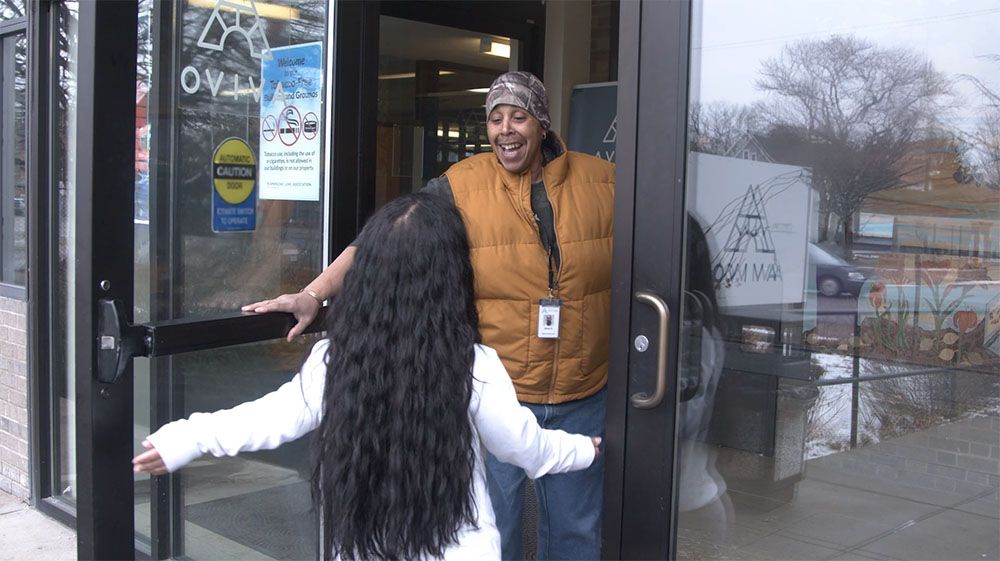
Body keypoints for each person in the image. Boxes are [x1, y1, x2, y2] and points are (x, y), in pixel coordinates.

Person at [244, 71, 615, 560]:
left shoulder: (603, 182)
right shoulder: (462, 186)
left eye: (518, 116)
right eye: (495, 118)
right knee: (492, 528)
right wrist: (315, 293)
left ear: (542, 123)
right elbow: (384, 239)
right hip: (501, 393)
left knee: (575, 534)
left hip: (580, 388)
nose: (505, 129)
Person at [133, 193, 601, 561]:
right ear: (451, 276)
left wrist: (187, 438)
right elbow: (525, 447)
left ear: (369, 275)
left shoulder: (336, 359)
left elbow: (267, 418)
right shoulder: (474, 364)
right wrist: (584, 448)